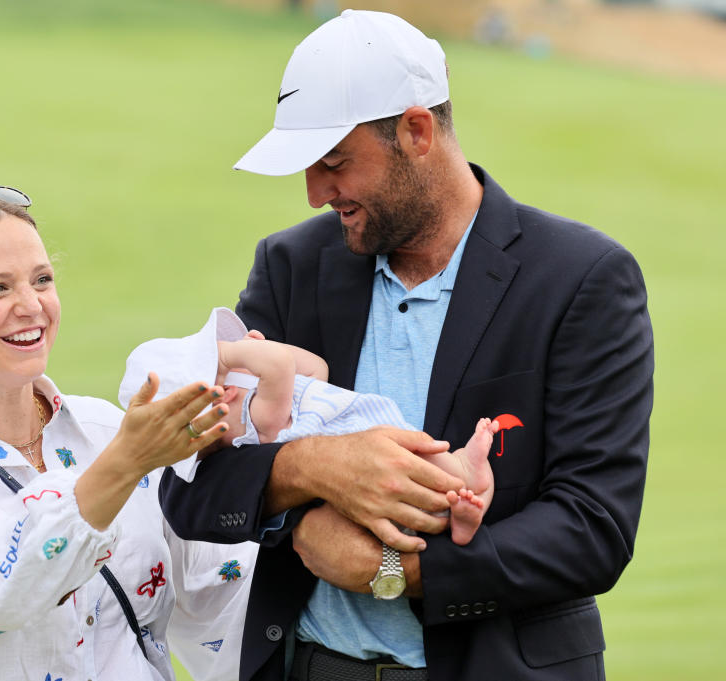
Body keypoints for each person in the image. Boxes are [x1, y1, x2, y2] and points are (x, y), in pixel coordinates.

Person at [159, 10, 653, 681]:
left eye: (334, 164)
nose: (314, 193)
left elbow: (593, 526)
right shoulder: (290, 267)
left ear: (417, 131)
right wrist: (313, 467)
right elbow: (188, 482)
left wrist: (394, 570)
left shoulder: (582, 277)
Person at [0, 186, 255, 681]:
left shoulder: (112, 429)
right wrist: (125, 464)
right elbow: (4, 588)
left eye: (41, 280)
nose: (31, 305)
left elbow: (221, 596)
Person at [119, 307, 497, 546]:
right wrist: (234, 353)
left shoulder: (265, 396)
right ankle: (459, 510)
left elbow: (316, 369)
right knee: (423, 470)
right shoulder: (260, 425)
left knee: (435, 459)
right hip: (365, 440)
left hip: (373, 425)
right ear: (218, 398)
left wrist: (253, 354)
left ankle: (464, 493)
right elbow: (281, 365)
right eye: (220, 362)